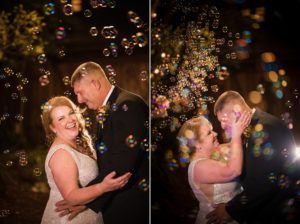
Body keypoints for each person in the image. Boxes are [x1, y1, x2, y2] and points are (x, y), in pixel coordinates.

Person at [55, 62, 149, 224]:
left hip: (130, 205)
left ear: (95, 84)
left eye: (80, 92)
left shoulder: (127, 105)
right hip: (114, 203)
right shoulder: (107, 107)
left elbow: (122, 165)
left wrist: (88, 199)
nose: (79, 99)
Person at [207, 90, 299, 224]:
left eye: (224, 120)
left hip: (275, 214)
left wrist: (231, 210)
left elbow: (263, 181)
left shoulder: (265, 128)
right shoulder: (254, 127)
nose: (222, 125)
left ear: (236, 113)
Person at [40, 96, 131, 224]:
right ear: (53, 128)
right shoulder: (61, 153)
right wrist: (103, 187)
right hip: (69, 219)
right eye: (61, 118)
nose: (70, 120)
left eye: (71, 113)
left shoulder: (79, 143)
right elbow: (71, 197)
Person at [177, 113, 251, 224]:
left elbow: (236, 145)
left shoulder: (215, 152)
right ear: (197, 144)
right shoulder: (198, 167)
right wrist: (236, 135)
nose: (215, 133)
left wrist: (239, 123)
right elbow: (234, 171)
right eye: (209, 133)